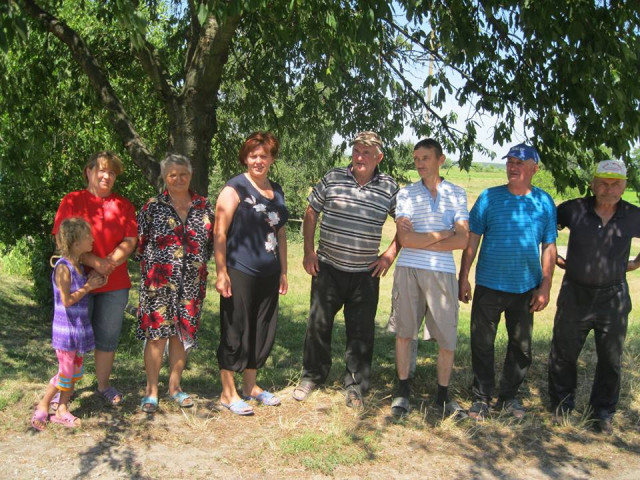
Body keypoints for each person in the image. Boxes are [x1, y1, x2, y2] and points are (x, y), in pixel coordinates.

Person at [292, 131, 399, 408]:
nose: (360, 157)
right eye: (357, 151)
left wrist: (389, 255)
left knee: (361, 332)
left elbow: (405, 223)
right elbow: (311, 211)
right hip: (328, 267)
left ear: (379, 157)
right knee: (318, 326)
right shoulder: (333, 177)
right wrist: (308, 251)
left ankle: (355, 386)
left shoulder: (388, 187)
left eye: (367, 153)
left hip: (365, 274)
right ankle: (312, 376)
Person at [459, 143, 557, 420]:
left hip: (525, 287)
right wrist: (463, 277)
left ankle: (508, 397)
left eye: (519, 163)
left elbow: (549, 246)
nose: (513, 167)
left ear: (534, 169)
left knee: (521, 347)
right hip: (489, 285)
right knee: (482, 344)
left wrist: (546, 285)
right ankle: (481, 398)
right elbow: (472, 240)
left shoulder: (544, 202)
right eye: (510, 162)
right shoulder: (489, 198)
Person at [548, 160, 640, 434]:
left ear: (623, 186)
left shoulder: (633, 215)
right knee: (563, 354)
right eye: (603, 183)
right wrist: (553, 256)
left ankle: (602, 413)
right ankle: (562, 406)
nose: (608, 189)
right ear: (592, 184)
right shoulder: (574, 209)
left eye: (615, 184)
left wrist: (635, 263)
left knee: (610, 359)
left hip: (613, 297)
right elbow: (545, 227)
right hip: (574, 294)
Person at [388, 139, 469, 418]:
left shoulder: (457, 194)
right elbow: (405, 239)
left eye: (425, 158)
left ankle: (443, 397)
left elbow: (462, 240)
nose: (419, 163)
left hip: (443, 273)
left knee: (447, 337)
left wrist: (422, 238)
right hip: (408, 269)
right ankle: (402, 392)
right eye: (416, 158)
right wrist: (444, 233)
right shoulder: (406, 194)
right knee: (405, 332)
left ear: (440, 160)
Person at [52, 151, 137, 407]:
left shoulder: (124, 205)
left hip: (115, 283)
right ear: (88, 172)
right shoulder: (72, 201)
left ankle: (103, 385)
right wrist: (95, 262)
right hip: (78, 280)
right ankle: (65, 390)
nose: (106, 176)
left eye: (111, 172)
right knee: (72, 339)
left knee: (108, 338)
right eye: (101, 170)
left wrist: (107, 264)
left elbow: (130, 240)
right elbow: (61, 239)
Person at [214, 132, 288, 416]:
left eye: (264, 156)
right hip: (239, 270)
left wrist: (283, 270)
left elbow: (280, 234)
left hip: (269, 272)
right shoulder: (234, 188)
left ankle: (250, 386)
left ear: (272, 159)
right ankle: (228, 392)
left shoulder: (277, 190)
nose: (258, 161)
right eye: (253, 156)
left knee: (261, 329)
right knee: (235, 329)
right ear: (245, 158)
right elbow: (219, 232)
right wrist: (221, 272)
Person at [136, 154, 214, 413]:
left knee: (182, 335)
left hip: (191, 284)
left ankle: (175, 387)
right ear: (164, 177)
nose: (178, 179)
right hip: (158, 285)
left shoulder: (204, 206)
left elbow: (211, 244)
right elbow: (140, 243)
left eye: (183, 174)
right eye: (172, 174)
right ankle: (151, 391)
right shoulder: (152, 207)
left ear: (190, 175)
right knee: (157, 337)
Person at [31, 218, 107, 430]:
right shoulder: (63, 267)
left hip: (78, 329)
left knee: (74, 372)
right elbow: (66, 300)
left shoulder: (79, 266)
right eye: (88, 237)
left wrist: (94, 282)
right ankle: (44, 404)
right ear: (75, 243)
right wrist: (88, 287)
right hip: (66, 331)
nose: (92, 240)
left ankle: (61, 410)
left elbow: (81, 291)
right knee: (65, 373)